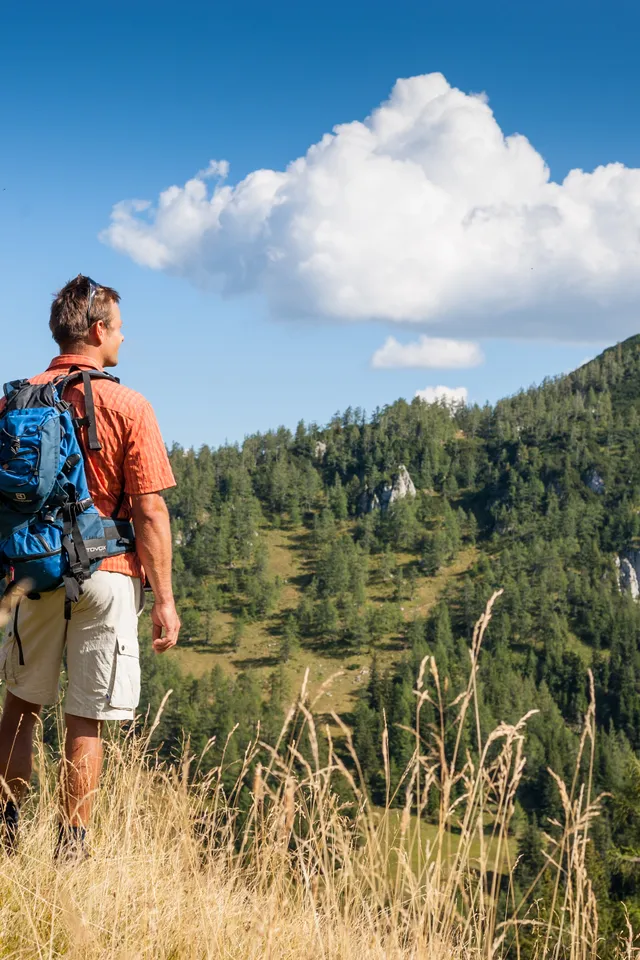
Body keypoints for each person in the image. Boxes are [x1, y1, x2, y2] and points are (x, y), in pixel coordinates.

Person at [0, 275, 180, 858]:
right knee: (86, 719)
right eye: (120, 328)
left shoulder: (15, 399)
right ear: (98, 330)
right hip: (109, 571)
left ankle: (3, 834)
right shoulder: (130, 405)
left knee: (22, 705)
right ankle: (71, 850)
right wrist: (167, 600)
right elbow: (150, 510)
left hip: (32, 569)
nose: (123, 339)